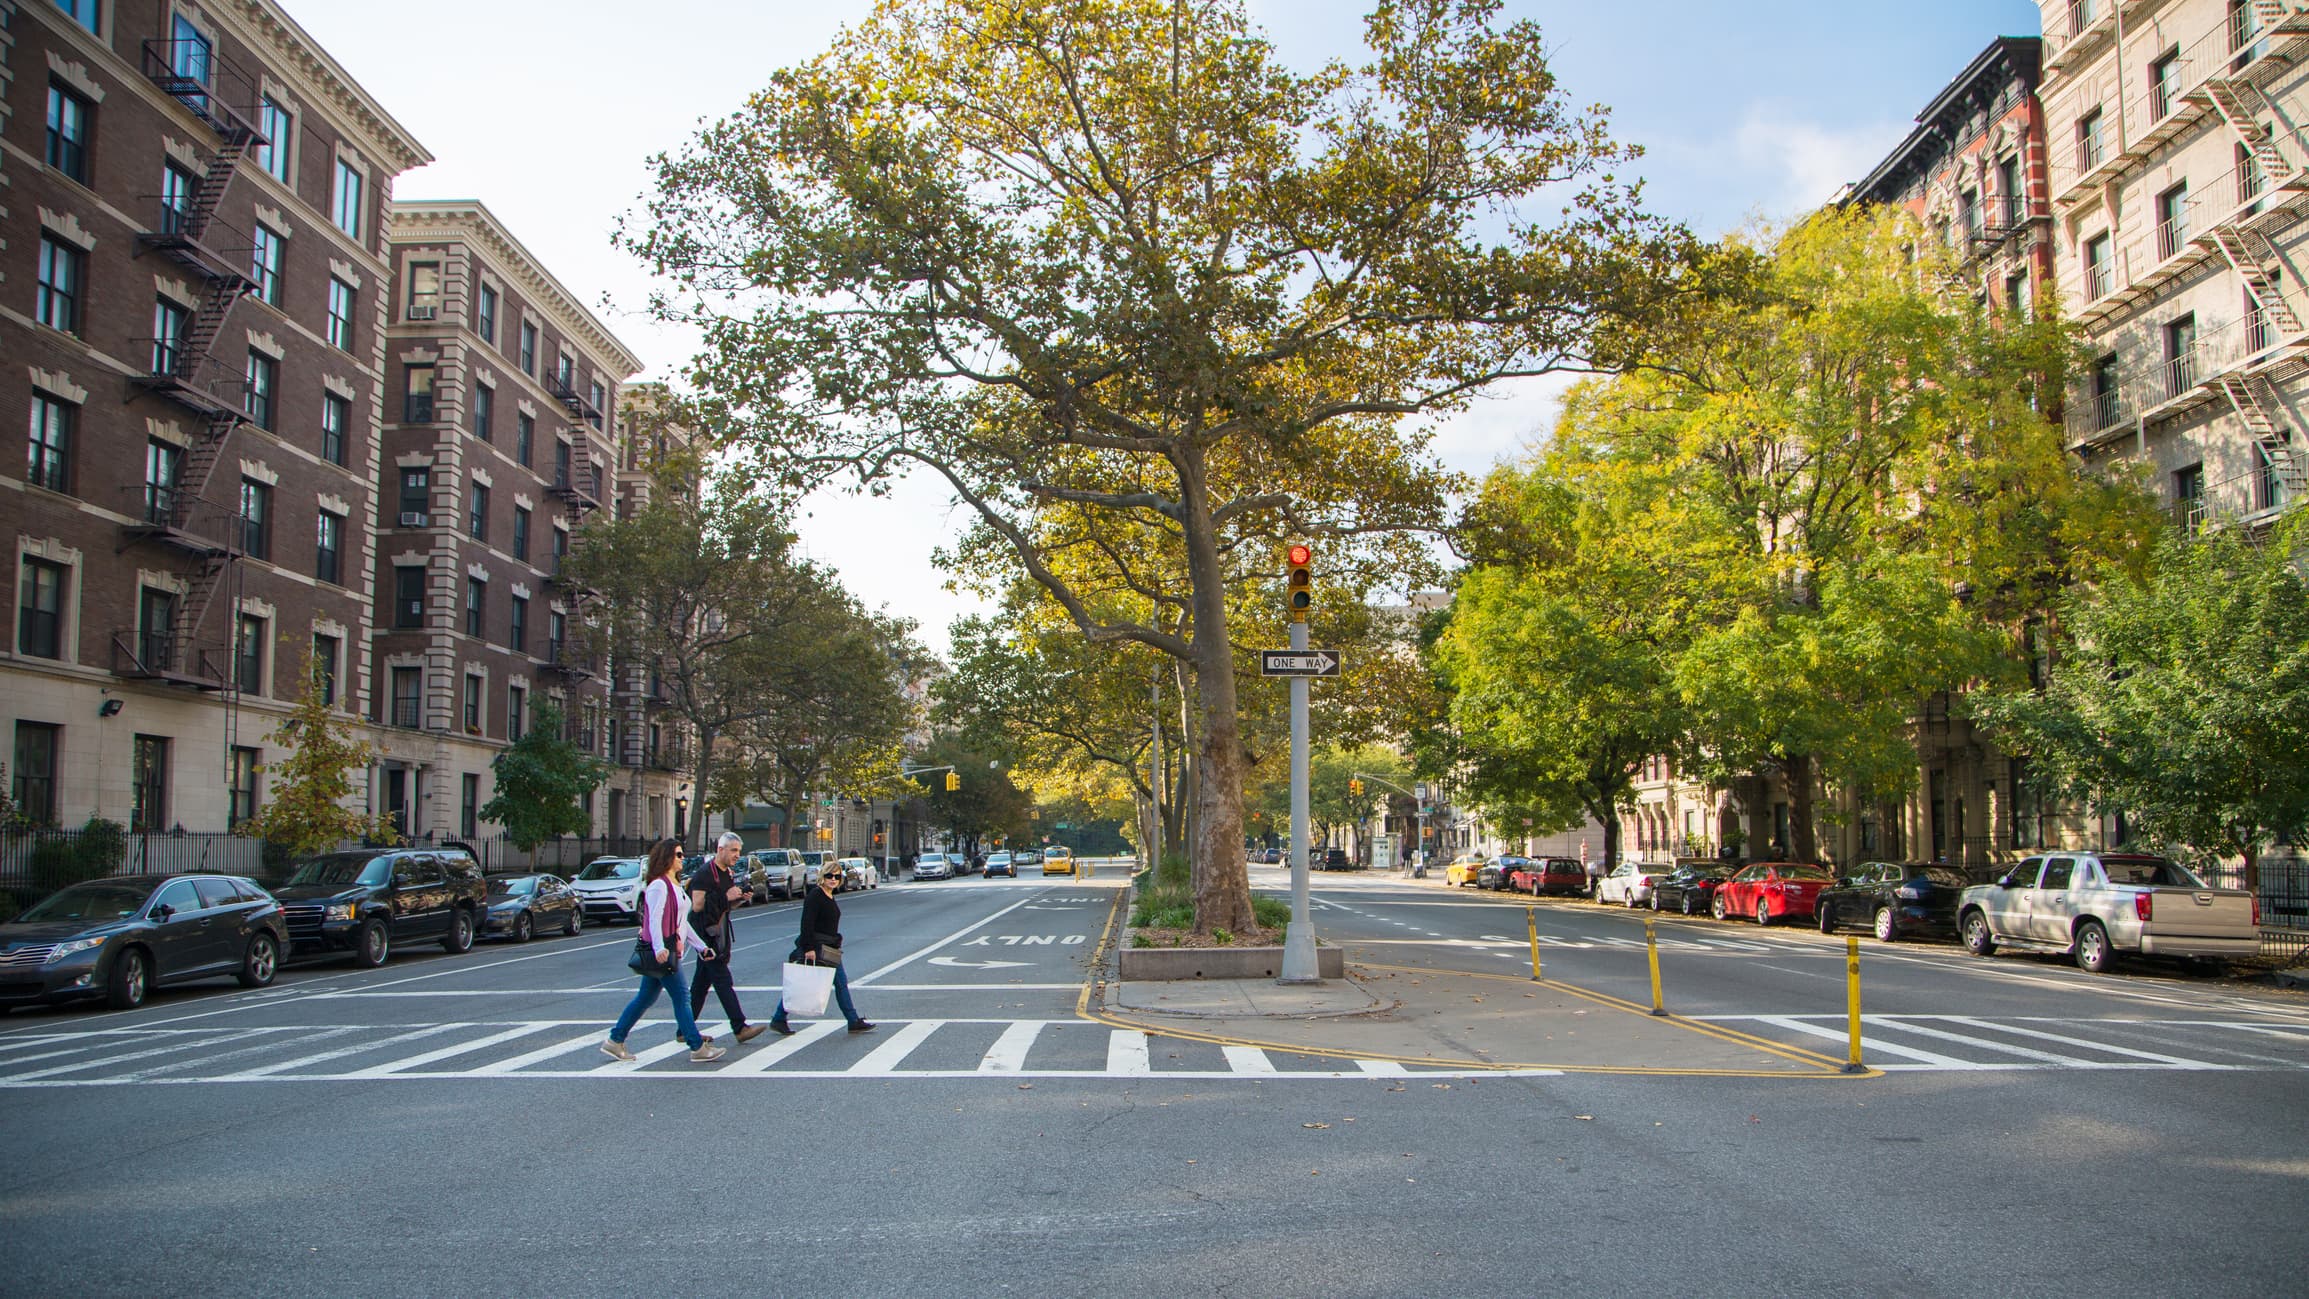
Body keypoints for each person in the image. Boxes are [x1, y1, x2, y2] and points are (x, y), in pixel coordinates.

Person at [601, 839, 725, 1063]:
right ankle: (696, 1046)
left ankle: (615, 1040)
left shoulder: (675, 885)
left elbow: (682, 924)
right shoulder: (659, 885)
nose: (682, 858)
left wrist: (701, 947)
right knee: (682, 996)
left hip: (668, 950)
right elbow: (654, 920)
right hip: (663, 952)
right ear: (667, 858)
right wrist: (659, 948)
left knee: (645, 998)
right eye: (678, 855)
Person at [767, 860, 874, 1036]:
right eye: (829, 875)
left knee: (836, 983)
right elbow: (806, 923)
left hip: (829, 948)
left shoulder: (829, 895)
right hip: (817, 947)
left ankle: (852, 1020)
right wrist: (808, 948)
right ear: (822, 877)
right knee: (806, 982)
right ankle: (779, 1018)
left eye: (837, 876)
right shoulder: (816, 896)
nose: (833, 879)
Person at [690, 831, 766, 1044]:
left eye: (738, 851)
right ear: (720, 849)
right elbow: (697, 906)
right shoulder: (705, 874)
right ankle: (739, 1027)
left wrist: (739, 899)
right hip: (707, 936)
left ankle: (684, 1029)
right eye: (733, 850)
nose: (736, 855)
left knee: (700, 985)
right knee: (723, 981)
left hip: (719, 932)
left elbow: (724, 907)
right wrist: (726, 897)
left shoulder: (727, 873)